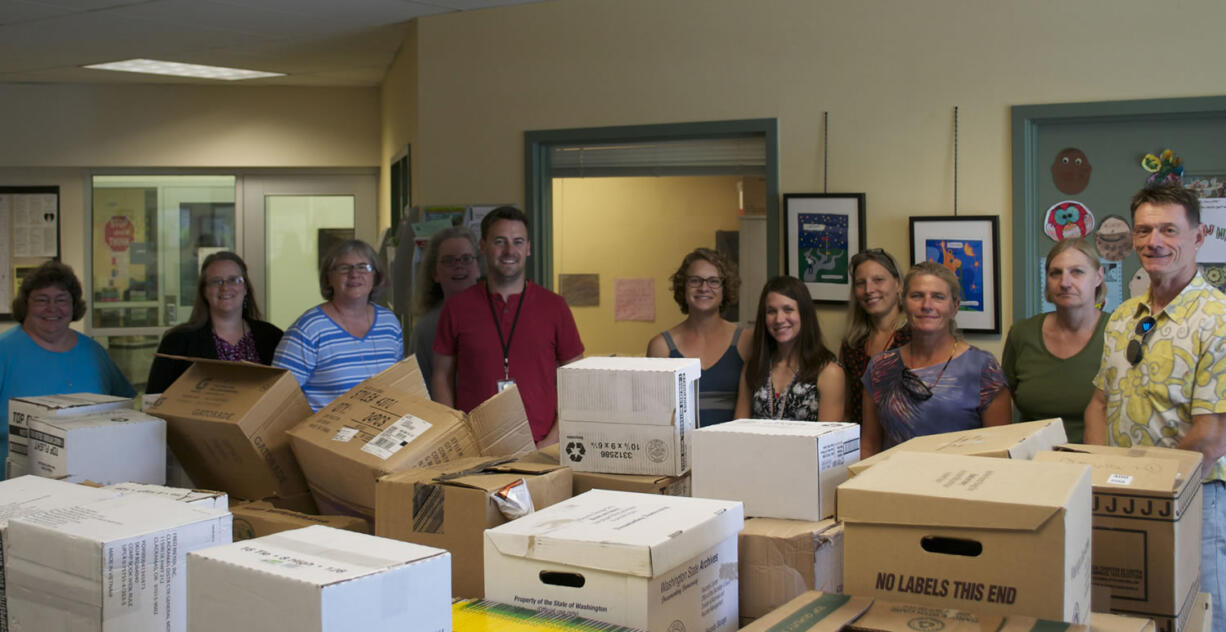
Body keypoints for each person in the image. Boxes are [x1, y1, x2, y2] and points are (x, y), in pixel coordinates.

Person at [1084, 184, 1226, 632]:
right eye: (1144, 230)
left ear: (1198, 236)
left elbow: (1213, 433)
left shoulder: (1218, 318)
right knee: (1125, 619)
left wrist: (1146, 494)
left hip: (1195, 499)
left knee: (1197, 619)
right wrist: (1099, 477)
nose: (1154, 241)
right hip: (1122, 499)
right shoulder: (1124, 316)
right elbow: (1099, 401)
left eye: (1169, 229)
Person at [432, 206, 583, 447]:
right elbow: (441, 376)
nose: (509, 250)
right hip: (475, 448)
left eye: (518, 241)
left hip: (541, 445)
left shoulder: (555, 306)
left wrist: (552, 440)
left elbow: (576, 380)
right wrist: (454, 438)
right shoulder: (457, 307)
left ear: (528, 248)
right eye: (499, 241)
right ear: (483, 246)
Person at [0, 261, 135, 478]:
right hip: (15, 483)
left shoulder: (93, 352)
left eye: (61, 300)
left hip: (91, 478)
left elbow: (125, 411)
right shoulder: (4, 351)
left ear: (74, 306)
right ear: (25, 304)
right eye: (42, 300)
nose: (52, 309)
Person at [861, 261, 1010, 456]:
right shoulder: (880, 367)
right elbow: (869, 445)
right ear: (903, 303)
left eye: (938, 297)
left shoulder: (983, 368)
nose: (927, 305)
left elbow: (1000, 451)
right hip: (892, 482)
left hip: (960, 482)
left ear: (954, 306)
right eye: (917, 296)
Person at [273, 239, 403, 412]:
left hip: (382, 433)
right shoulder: (309, 328)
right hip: (324, 436)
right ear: (328, 278)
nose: (354, 274)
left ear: (376, 276)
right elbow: (276, 398)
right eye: (344, 268)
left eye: (363, 267)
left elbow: (399, 384)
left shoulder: (389, 323)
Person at [1002, 238, 1106, 442]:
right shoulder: (1022, 333)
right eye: (1055, 273)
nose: (1065, 282)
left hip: (1099, 460)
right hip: (1033, 463)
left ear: (1098, 276)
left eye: (1077, 272)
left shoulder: (1118, 333)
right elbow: (1007, 399)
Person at [145, 252, 283, 394]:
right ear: (204, 291)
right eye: (216, 281)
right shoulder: (177, 341)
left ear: (245, 288)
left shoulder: (273, 338)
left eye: (234, 280)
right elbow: (153, 399)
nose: (225, 287)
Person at [647, 248, 750, 427]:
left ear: (725, 288)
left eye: (713, 281)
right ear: (683, 287)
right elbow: (655, 413)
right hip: (679, 450)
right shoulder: (661, 346)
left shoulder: (746, 341)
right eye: (695, 281)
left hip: (733, 448)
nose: (704, 288)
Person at [733, 276, 844, 422]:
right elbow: (737, 428)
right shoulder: (754, 367)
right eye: (771, 311)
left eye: (788, 309)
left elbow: (828, 442)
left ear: (804, 314)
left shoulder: (829, 372)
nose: (779, 319)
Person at [839, 248, 911, 425]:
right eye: (860, 283)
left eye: (878, 280)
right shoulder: (852, 344)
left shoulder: (914, 336)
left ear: (898, 284)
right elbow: (847, 408)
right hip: (863, 445)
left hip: (905, 443)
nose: (869, 290)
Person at [409, 226, 480, 396]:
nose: (459, 266)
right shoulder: (426, 329)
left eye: (466, 258)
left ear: (478, 266)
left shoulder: (499, 316)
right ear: (435, 273)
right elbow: (419, 392)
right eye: (449, 261)